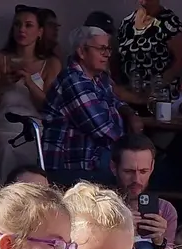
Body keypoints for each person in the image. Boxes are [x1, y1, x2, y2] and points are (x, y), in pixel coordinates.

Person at [0, 7, 62, 183]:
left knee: (29, 145)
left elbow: (48, 107)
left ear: (39, 32)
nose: (22, 30)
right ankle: (5, 196)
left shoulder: (51, 63)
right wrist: (3, 83)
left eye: (28, 25)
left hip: (33, 127)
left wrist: (29, 83)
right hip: (2, 126)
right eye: (17, 25)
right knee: (7, 146)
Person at [43, 26, 127, 186]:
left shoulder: (99, 78)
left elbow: (115, 101)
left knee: (135, 169)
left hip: (92, 160)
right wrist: (130, 141)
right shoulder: (73, 80)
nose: (108, 54)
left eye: (108, 49)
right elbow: (102, 129)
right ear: (82, 52)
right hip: (71, 167)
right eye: (101, 49)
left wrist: (128, 112)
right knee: (132, 167)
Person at [110, 134, 177, 249]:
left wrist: (160, 241)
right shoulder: (100, 205)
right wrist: (117, 231)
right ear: (113, 168)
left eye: (143, 172)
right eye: (128, 172)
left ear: (152, 167)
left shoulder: (165, 210)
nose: (136, 180)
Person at [115, 0, 182, 103]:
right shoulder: (127, 23)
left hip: (159, 100)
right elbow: (118, 59)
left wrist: (155, 88)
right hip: (129, 97)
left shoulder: (170, 24)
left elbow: (178, 63)